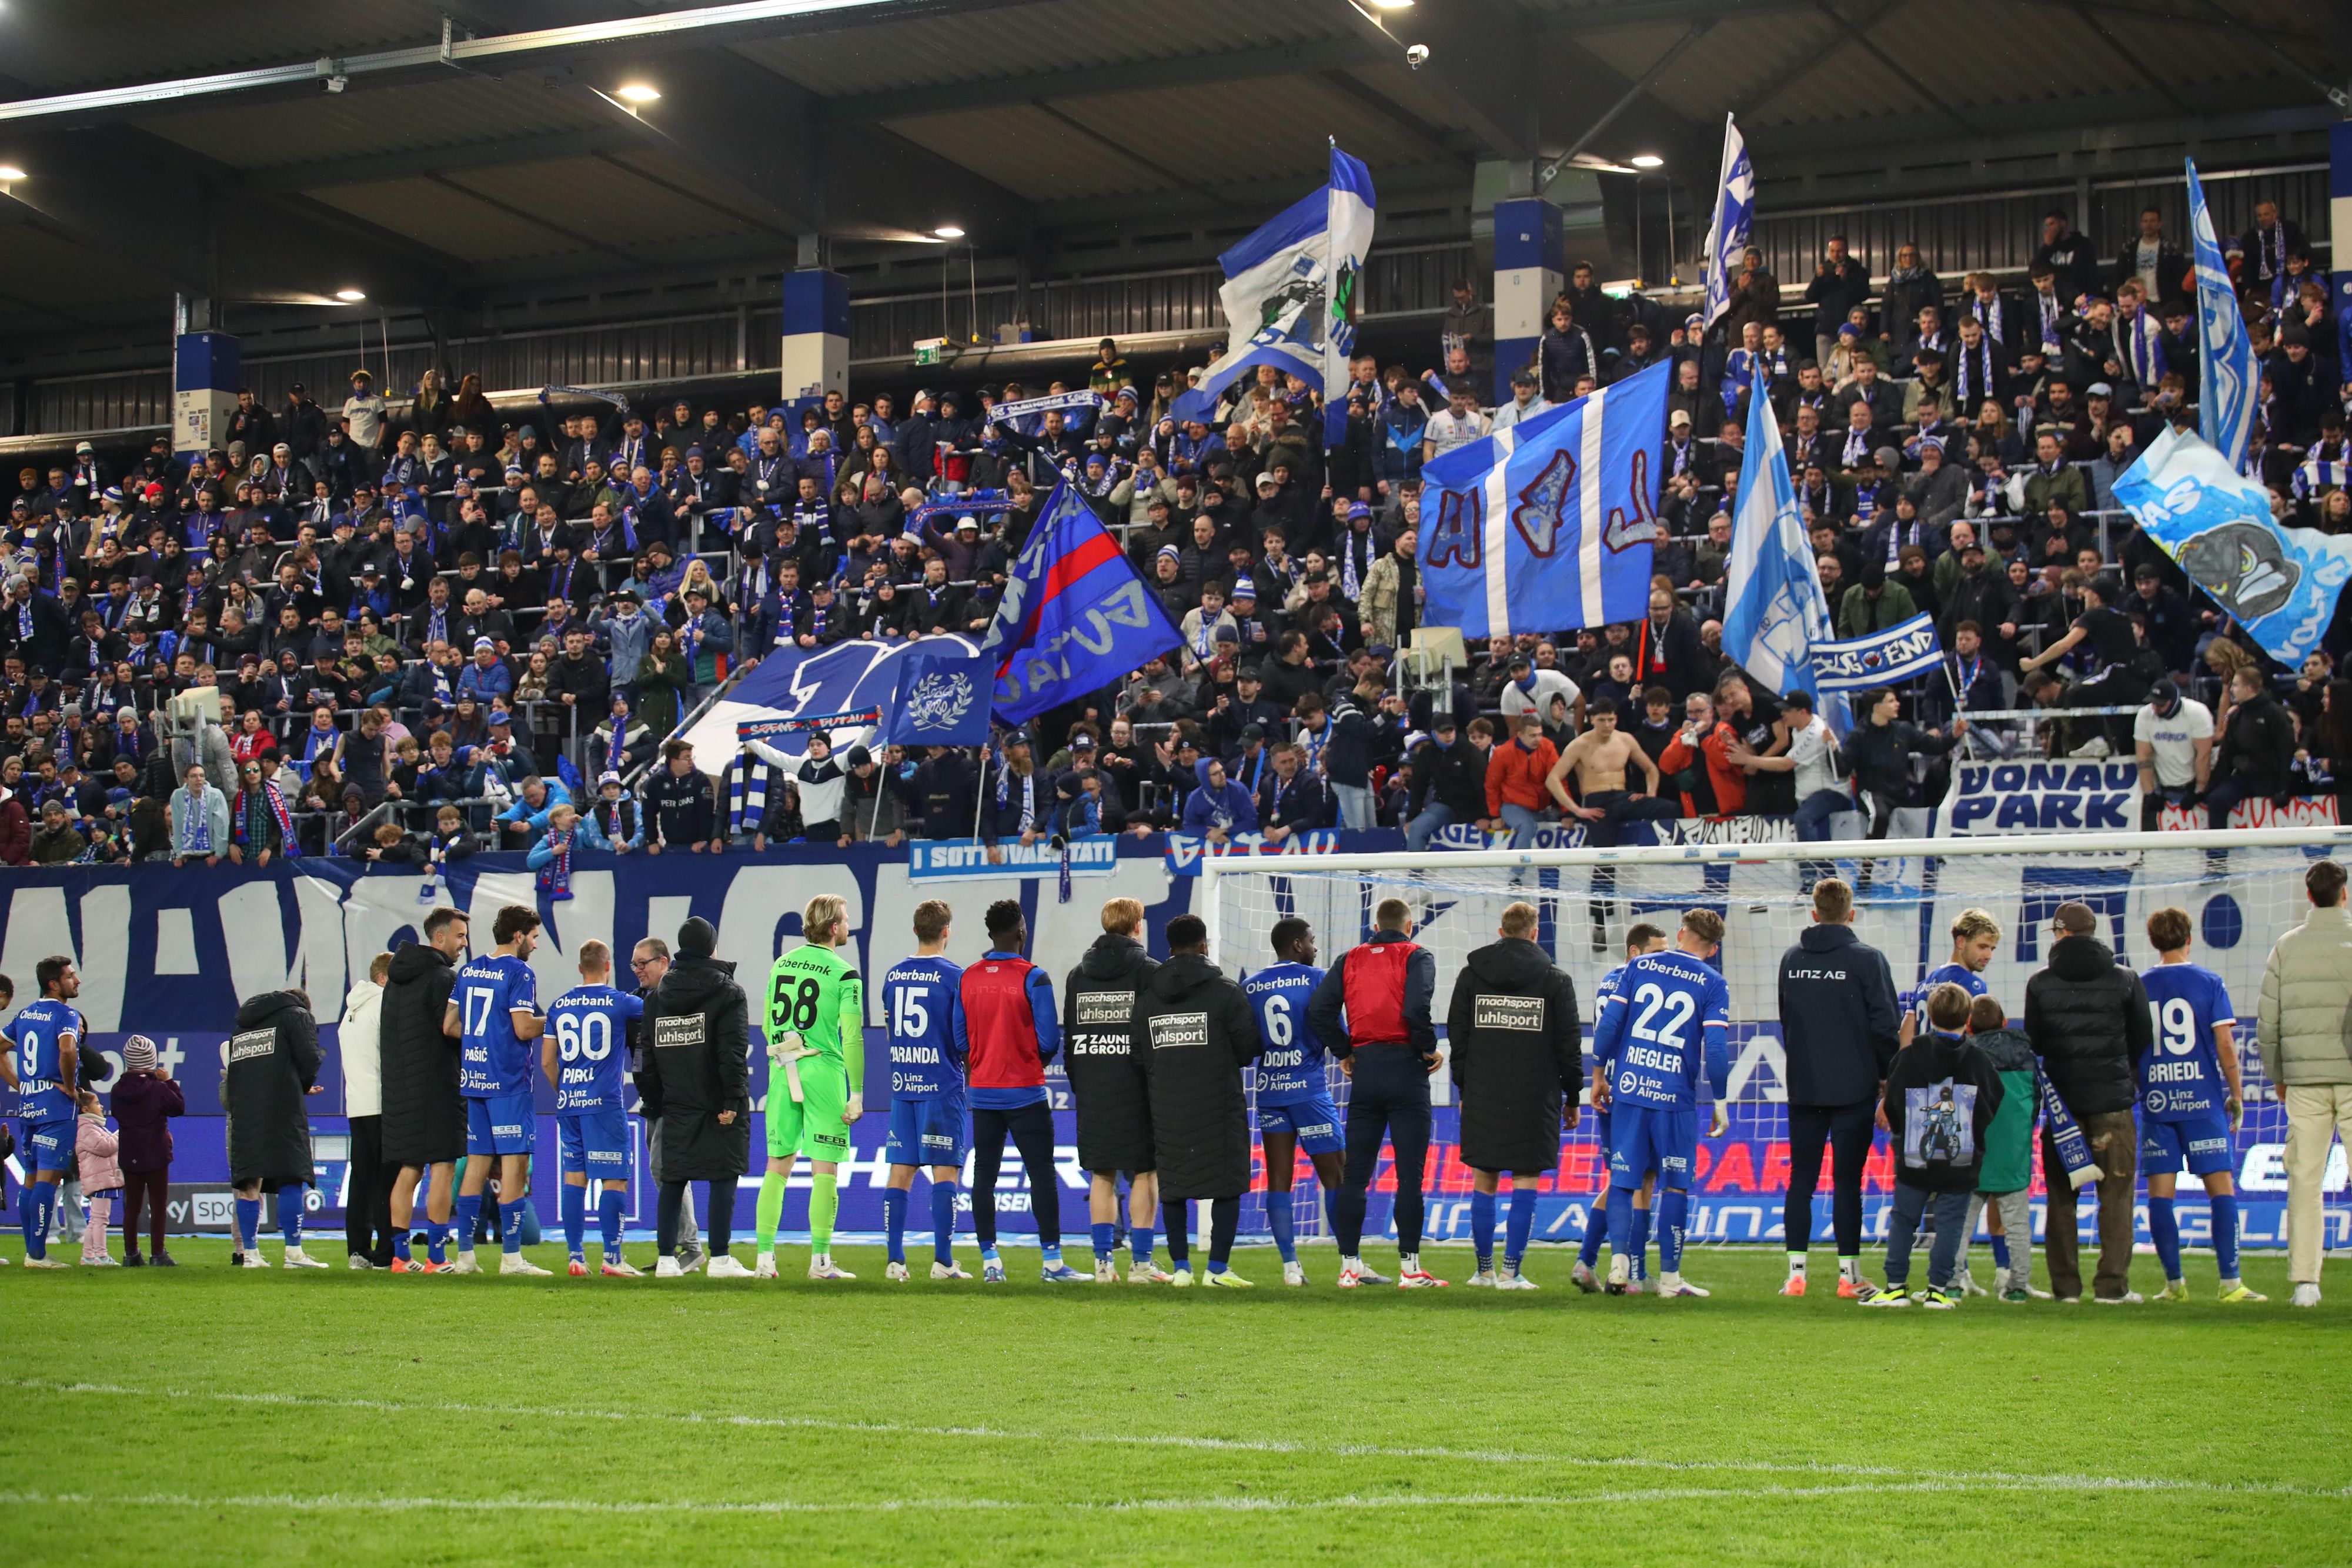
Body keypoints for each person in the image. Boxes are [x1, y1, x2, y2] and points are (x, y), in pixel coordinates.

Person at [1306, 895, 1445, 1288]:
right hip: (1406, 1069)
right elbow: (1416, 1009)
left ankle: (1350, 1265)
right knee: (1409, 1176)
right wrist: (1426, 1048)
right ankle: (1411, 1269)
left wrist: (1345, 1050)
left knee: (1355, 1176)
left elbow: (1319, 1010)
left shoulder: (1349, 958)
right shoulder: (1417, 955)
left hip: (1366, 1070)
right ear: (1409, 926)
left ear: (1373, 928)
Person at [1773, 878, 1903, 1299]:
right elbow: (1886, 1025)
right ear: (1851, 913)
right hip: (1854, 1087)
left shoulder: (1792, 959)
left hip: (1805, 1086)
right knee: (1848, 1181)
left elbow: (1786, 1020)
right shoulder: (1868, 959)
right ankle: (1849, 1276)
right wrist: (1887, 1078)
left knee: (1801, 1180)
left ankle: (1796, 1275)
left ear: (1814, 913)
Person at [1591, 908, 1730, 1299]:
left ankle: (1618, 1264)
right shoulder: (1714, 982)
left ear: (1681, 932)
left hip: (1632, 1088)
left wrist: (1600, 1073)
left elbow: (1610, 1024)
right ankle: (1670, 1280)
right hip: (1675, 1097)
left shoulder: (1640, 965)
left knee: (1623, 1180)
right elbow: (1716, 1049)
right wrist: (1720, 1097)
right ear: (1714, 948)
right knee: (1674, 1187)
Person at [1448, 901, 1581, 1290]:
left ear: (1501, 931)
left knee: (1483, 1178)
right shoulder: (1556, 979)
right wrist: (1572, 1096)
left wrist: (1464, 1087)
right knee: (1526, 1180)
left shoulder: (1472, 975)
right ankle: (1510, 1271)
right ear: (1535, 933)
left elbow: (1459, 1035)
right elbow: (1569, 1045)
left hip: (1484, 1090)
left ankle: (1483, 1271)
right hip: (1534, 1093)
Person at [2024, 900, 2153, 1303]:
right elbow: (2142, 1037)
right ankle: (2112, 1287)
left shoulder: (2040, 983)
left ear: (2060, 933)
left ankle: (2066, 1289)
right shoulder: (2126, 978)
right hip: (2113, 1102)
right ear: (2095, 932)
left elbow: (2036, 1042)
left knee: (2061, 1196)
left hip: (2063, 1106)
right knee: (2116, 1195)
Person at [2139, 907, 2263, 1304]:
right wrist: (2237, 1094)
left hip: (2157, 1100)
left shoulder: (2138, 986)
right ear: (2189, 938)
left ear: (2154, 941)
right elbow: (2225, 1043)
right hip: (2201, 1099)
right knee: (2221, 1188)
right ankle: (2231, 1283)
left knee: (2160, 1193)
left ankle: (2174, 1285)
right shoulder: (2209, 982)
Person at [958, 898, 1084, 1283]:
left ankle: (991, 1262)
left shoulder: (969, 976)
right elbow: (1048, 1039)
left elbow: (959, 1038)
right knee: (1042, 1173)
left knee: (984, 1176)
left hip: (982, 1094)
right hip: (1026, 1092)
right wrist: (1028, 1063)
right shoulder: (1034, 977)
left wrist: (979, 1065)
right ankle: (1051, 1263)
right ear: (1020, 932)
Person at [1136, 913, 1262, 1285]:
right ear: (1204, 946)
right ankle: (1218, 1269)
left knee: (1173, 1184)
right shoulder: (1225, 991)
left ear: (1170, 949)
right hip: (1218, 1104)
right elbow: (1248, 1049)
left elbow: (1139, 1054)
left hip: (1167, 1104)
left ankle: (1181, 1269)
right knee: (1227, 1182)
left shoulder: (1147, 998)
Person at [1865, 982, 2003, 1310]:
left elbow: (1893, 1100)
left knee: (1904, 1219)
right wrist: (1974, 1131)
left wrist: (1902, 1134)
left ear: (1931, 1015)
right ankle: (1939, 1289)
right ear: (1967, 1018)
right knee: (1951, 1224)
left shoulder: (1909, 1056)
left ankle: (1896, 1287)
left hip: (1915, 1154)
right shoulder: (1978, 1060)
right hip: (1962, 1157)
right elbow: (1993, 1100)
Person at [2256, 858, 2352, 1308]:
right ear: (2344, 893)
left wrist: (2279, 1075)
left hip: (2306, 1080)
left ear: (2309, 895)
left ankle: (2306, 1284)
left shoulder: (2286, 947)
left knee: (2305, 1180)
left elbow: (2268, 1022)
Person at [755, 892, 866, 1281]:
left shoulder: (781, 964)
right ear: (834, 927)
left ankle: (764, 1260)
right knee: (825, 1171)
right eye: (847, 918)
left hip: (782, 1068)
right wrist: (857, 1092)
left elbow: (768, 1025)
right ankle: (820, 1261)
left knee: (777, 1167)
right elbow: (852, 1037)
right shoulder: (845, 973)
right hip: (822, 1069)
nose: (850, 924)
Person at [639, 916, 753, 1278]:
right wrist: (733, 1101)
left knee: (673, 1179)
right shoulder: (729, 992)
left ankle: (666, 1260)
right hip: (717, 1102)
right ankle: (719, 1258)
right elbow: (732, 1054)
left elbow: (646, 1058)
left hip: (675, 1103)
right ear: (711, 947)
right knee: (724, 1176)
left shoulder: (658, 997)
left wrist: (655, 1102)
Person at [1063, 896, 1168, 1283]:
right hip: (1137, 1087)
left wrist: (1082, 1084)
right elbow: (1155, 1035)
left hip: (1093, 1085)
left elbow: (1071, 1038)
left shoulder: (1078, 975)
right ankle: (1141, 1263)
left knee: (1102, 1173)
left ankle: (1103, 1264)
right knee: (1145, 1171)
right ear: (1137, 926)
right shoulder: (1150, 971)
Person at [445, 904, 549, 1276]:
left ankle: (466, 1258)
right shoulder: (520, 972)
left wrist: (484, 1039)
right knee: (514, 1165)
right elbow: (523, 1029)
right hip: (508, 1081)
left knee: (475, 1164)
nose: (536, 946)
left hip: (475, 1080)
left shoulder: (469, 970)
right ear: (519, 936)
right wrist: (557, 1020)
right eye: (535, 938)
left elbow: (450, 1025)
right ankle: (511, 1259)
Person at [1244, 917, 1345, 1288]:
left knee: (1278, 1181)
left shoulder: (1250, 986)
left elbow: (1247, 1043)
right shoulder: (1318, 978)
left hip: (1270, 1090)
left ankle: (1291, 1267)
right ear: (1299, 945)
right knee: (1336, 1175)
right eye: (1313, 941)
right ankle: (1350, 1263)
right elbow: (1336, 1029)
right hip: (1309, 1090)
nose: (1316, 947)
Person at [879, 899, 973, 1281]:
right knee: (945, 1172)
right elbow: (962, 1039)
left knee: (900, 1171)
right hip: (942, 1084)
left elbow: (889, 1031)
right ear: (946, 931)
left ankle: (895, 1261)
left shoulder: (893, 975)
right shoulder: (955, 977)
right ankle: (943, 1261)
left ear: (916, 930)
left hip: (904, 1085)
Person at [543, 940, 646, 1278]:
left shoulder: (559, 1006)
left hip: (570, 1103)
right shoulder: (621, 1003)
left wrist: (568, 1091)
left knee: (575, 1177)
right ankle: (613, 1259)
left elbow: (547, 1062)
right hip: (604, 1103)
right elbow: (656, 1009)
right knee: (615, 1180)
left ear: (579, 968)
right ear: (608, 967)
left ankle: (575, 1258)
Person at [1573, 925, 1666, 1293]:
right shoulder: (1644, 988)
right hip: (1636, 1092)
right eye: (1656, 952)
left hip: (1608, 1091)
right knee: (1642, 1181)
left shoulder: (1608, 982)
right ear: (1634, 951)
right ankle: (1636, 1274)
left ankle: (1586, 1260)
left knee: (1619, 1181)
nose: (1663, 959)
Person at [382, 907, 469, 1273]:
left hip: (400, 1089)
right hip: (437, 1087)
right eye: (460, 936)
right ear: (439, 938)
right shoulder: (442, 978)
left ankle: (401, 1257)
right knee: (444, 1167)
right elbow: (450, 1029)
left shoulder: (394, 982)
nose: (464, 943)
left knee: (409, 1170)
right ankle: (436, 1257)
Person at [224, 984, 326, 1269]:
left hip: (245, 1110)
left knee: (249, 1181)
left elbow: (236, 1071)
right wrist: (300, 1086)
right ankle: (294, 1253)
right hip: (283, 1107)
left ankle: (251, 1255)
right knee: (292, 1173)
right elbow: (310, 1058)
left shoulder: (242, 1027)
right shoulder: (297, 1015)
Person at [1959, 995, 2044, 1302]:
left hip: (1974, 1149)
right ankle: (2018, 1287)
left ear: (1968, 1027)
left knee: (1961, 1221)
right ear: (2005, 1022)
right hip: (2013, 1147)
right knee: (2018, 1224)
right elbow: (2037, 1100)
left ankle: (1952, 1282)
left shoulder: (1966, 1055)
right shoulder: (2027, 1054)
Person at [2, 955, 84, 1266]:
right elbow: (67, 1049)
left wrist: (21, 1084)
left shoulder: (25, 1014)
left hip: (29, 1106)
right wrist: (71, 1088)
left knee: (32, 1180)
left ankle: (31, 1251)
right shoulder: (66, 1014)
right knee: (49, 1181)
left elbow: (0, 1047)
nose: (76, 981)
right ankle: (37, 1255)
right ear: (54, 984)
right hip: (55, 1109)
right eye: (70, 977)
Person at [1544, 699, 1677, 847]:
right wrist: (1576, 810)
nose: (1607, 725)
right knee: (1605, 856)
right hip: (1597, 802)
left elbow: (1651, 769)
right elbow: (1552, 780)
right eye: (1602, 720)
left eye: (1610, 720)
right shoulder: (1579, 745)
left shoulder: (1626, 740)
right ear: (1592, 719)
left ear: (1616, 720)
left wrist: (1650, 794)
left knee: (1671, 808)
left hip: (1623, 797)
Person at [340, 951, 394, 1269]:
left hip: (357, 1105)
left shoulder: (351, 1012)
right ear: (383, 978)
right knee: (387, 1180)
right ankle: (386, 1252)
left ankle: (358, 1251)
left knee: (361, 1181)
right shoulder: (383, 1005)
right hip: (382, 1103)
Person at [111, 1034, 182, 1267]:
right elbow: (178, 1108)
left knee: (132, 1205)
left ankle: (131, 1254)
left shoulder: (117, 1089)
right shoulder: (157, 1089)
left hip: (130, 1151)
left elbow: (119, 1115)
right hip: (156, 1151)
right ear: (151, 1059)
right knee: (158, 1204)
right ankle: (157, 1253)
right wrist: (169, 1081)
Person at [2133, 678, 2213, 829]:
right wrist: (2149, 793)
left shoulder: (2197, 713)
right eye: (2153, 703)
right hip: (2164, 786)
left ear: (2174, 701)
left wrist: (2199, 790)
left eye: (2161, 705)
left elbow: (2204, 755)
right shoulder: (2145, 716)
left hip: (2193, 782)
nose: (2156, 709)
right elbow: (2144, 757)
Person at [74, 1088, 122, 1266]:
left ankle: (88, 1256)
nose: (101, 1106)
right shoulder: (86, 1128)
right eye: (96, 1103)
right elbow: (105, 1147)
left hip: (101, 1179)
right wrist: (121, 1133)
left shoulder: (91, 1127)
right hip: (100, 1180)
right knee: (100, 1220)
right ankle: (101, 1256)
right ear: (85, 1109)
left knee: (96, 1220)